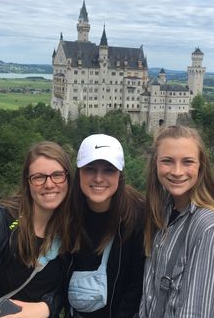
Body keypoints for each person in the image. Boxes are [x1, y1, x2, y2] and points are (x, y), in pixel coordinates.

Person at [139, 125, 214, 317]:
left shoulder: (209, 226)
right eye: (167, 161)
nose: (177, 171)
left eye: (188, 161)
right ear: (155, 164)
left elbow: (198, 311)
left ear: (201, 166)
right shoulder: (163, 211)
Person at [67, 134, 145, 318]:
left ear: (120, 175)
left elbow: (136, 285)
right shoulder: (66, 213)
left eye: (109, 170)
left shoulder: (138, 215)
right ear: (79, 173)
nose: (98, 178)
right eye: (90, 169)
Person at [0, 140, 78, 318]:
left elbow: (67, 291)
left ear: (68, 179)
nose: (49, 184)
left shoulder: (71, 230)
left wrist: (47, 308)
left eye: (57, 175)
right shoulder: (5, 220)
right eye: (39, 177)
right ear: (28, 182)